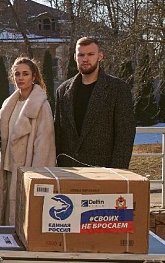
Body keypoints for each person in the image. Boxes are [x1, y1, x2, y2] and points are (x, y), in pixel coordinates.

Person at [54, 36, 136, 168]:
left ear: (100, 56)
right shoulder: (62, 91)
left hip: (104, 171)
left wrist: (117, 172)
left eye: (90, 54)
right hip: (69, 170)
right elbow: (58, 133)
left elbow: (125, 135)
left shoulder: (118, 89)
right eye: (81, 55)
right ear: (75, 57)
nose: (85, 59)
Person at [0, 57, 56, 226]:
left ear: (34, 76)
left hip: (26, 170)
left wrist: (36, 176)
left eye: (25, 74)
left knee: (23, 218)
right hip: (6, 168)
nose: (20, 78)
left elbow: (44, 144)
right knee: (5, 215)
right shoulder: (9, 104)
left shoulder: (41, 105)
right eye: (17, 74)